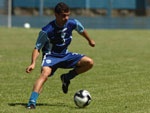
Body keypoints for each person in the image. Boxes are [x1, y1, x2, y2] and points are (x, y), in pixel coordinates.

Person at [26, 2, 95, 109]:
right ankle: (32, 102)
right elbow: (37, 48)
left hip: (65, 55)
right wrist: (33, 63)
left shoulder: (72, 23)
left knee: (89, 62)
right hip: (51, 56)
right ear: (56, 15)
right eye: (63, 15)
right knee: (45, 74)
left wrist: (90, 40)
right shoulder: (47, 30)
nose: (66, 18)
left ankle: (66, 77)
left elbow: (81, 30)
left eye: (68, 15)